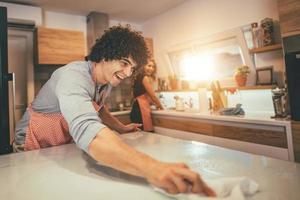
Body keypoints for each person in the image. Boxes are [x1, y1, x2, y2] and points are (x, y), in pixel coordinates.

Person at [13, 25, 216, 196]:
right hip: (31, 143)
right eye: (124, 63)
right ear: (105, 55)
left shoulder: (106, 82)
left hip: (58, 145)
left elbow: (99, 111)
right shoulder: (72, 76)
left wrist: (122, 128)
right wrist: (154, 168)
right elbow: (87, 130)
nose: (128, 73)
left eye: (132, 68)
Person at [130, 59, 163, 131]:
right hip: (140, 111)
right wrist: (161, 107)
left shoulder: (138, 77)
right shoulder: (144, 78)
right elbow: (153, 96)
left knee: (141, 138)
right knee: (146, 136)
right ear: (143, 66)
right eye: (149, 66)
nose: (151, 68)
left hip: (136, 109)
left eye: (153, 67)